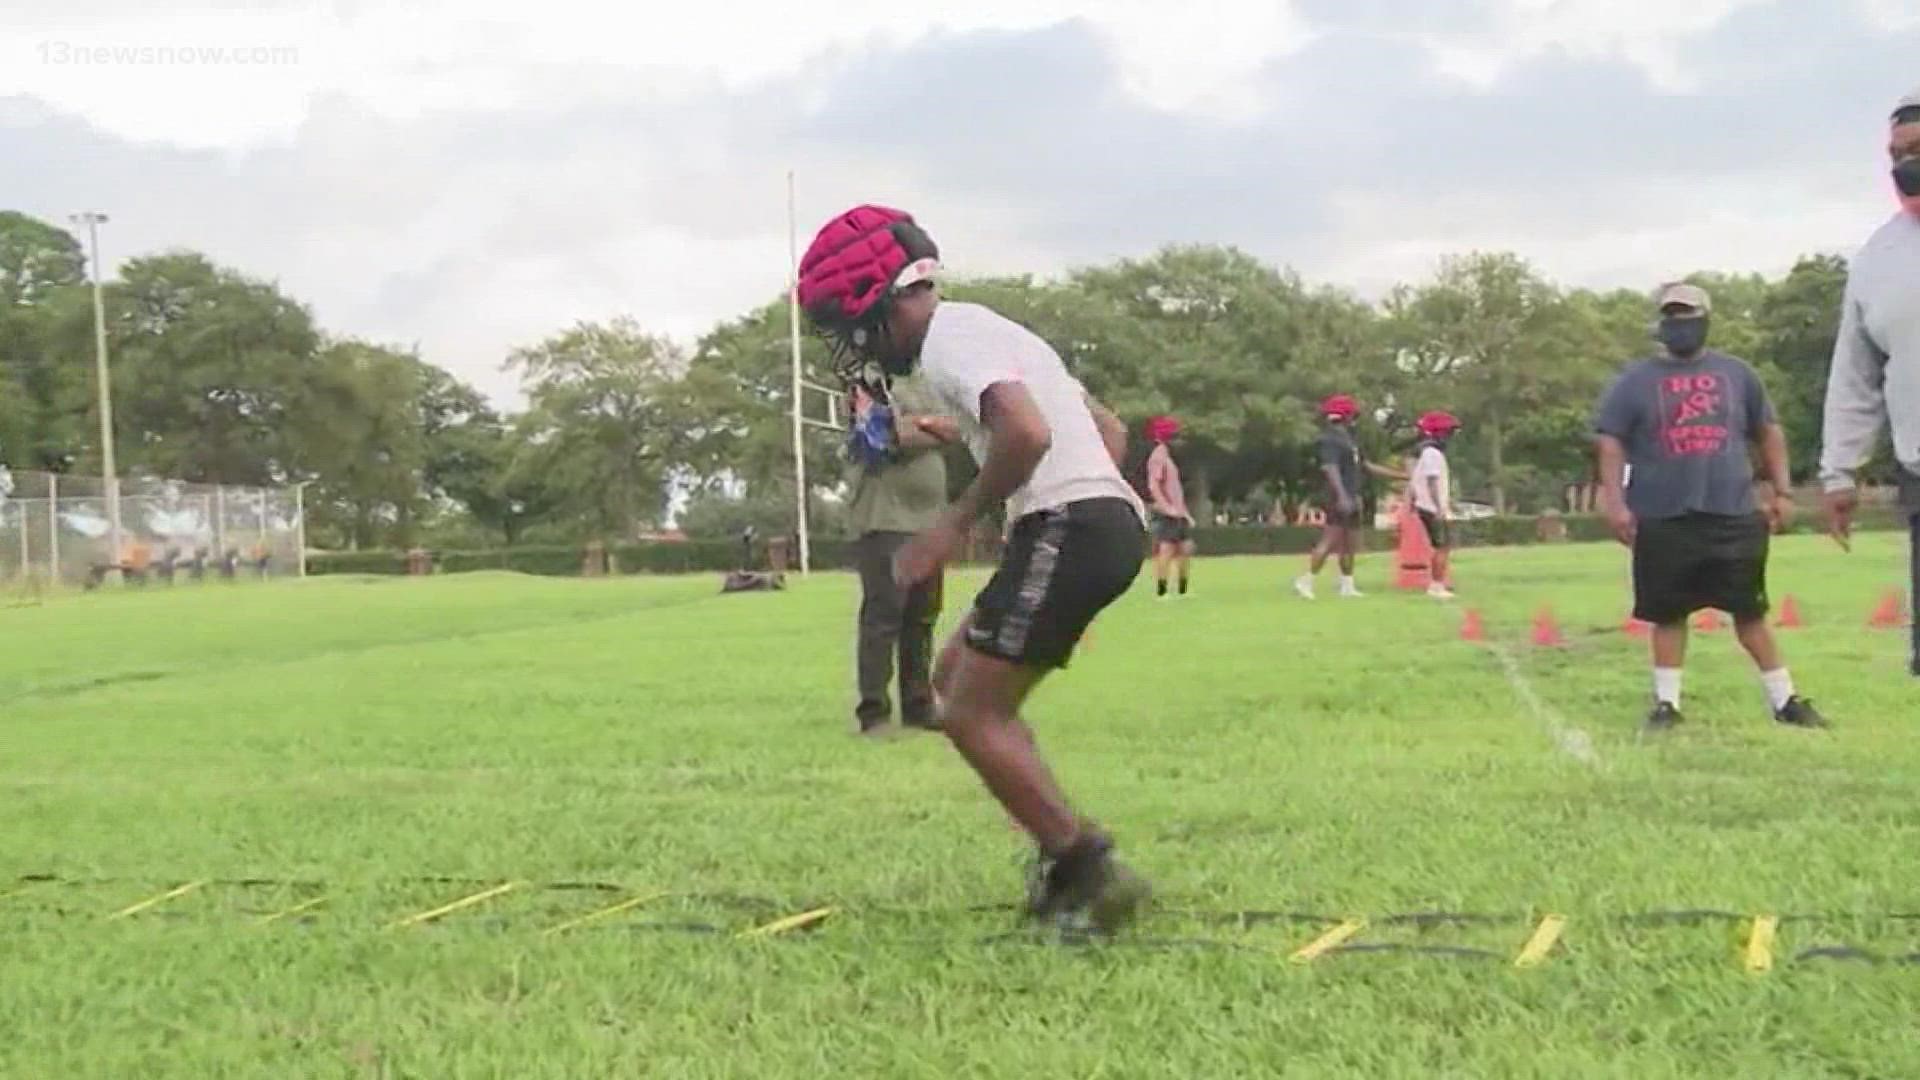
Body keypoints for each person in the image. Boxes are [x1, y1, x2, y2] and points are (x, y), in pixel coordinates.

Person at [796, 204, 1151, 933]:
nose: (851, 345)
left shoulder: (950, 342)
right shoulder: (988, 326)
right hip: (1085, 519)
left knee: (969, 712)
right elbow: (1108, 428)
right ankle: (1069, 853)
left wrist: (956, 525)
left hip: (1071, 524)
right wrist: (1069, 502)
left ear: (877, 302)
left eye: (847, 325)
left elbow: (1026, 430)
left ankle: (1083, 866)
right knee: (954, 680)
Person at [1594, 282, 1826, 732]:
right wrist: (1616, 502)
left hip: (1732, 511)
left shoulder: (1738, 374)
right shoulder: (1633, 381)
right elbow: (1610, 441)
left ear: (1705, 320)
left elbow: (1768, 431)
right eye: (1672, 317)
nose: (1679, 326)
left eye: (1688, 316)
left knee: (1750, 611)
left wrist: (1783, 491)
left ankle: (1785, 701)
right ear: (1661, 325)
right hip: (1662, 512)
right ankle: (1667, 705)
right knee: (1666, 612)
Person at [1819, 86, 1920, 678]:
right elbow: (1854, 377)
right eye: (1897, 153)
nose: (1906, 164)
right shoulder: (1877, 259)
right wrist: (1839, 472)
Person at [843, 378, 957, 736]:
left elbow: (961, 429)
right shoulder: (867, 380)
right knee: (883, 618)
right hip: (886, 519)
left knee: (922, 616)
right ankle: (874, 712)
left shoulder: (931, 382)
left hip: (929, 521)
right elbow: (885, 435)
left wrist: (921, 423)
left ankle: (918, 705)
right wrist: (928, 425)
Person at [1294, 394, 1404, 599]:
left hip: (1352, 495)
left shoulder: (1349, 440)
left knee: (1349, 543)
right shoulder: (1330, 440)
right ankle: (1306, 580)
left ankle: (1347, 584)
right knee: (1330, 540)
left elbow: (1367, 466)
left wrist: (1402, 476)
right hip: (1339, 496)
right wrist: (1342, 495)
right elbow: (1330, 468)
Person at [1410, 410, 1461, 600]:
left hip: (1429, 505)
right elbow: (1432, 481)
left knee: (1442, 546)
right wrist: (1440, 507)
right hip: (1432, 507)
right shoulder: (1432, 454)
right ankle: (1436, 585)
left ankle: (1438, 583)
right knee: (1442, 546)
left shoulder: (1429, 454)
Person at [1143, 415, 1195, 599]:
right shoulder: (1158, 456)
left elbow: (1175, 490)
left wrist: (1184, 513)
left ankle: (1182, 589)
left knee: (1186, 549)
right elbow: (1153, 485)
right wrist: (1166, 508)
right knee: (1166, 550)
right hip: (1167, 513)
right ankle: (1162, 591)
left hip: (1179, 513)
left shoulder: (1169, 458)